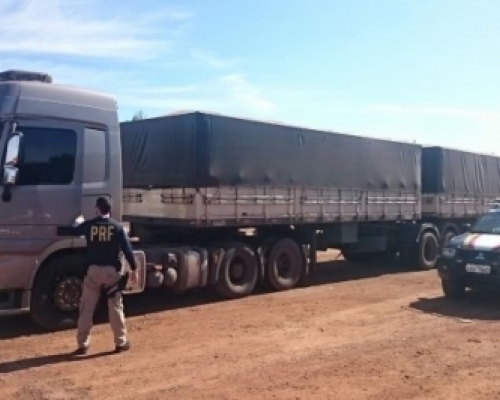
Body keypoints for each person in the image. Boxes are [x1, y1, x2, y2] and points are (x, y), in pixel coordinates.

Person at [69, 196, 139, 356]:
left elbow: (74, 230)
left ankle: (82, 345)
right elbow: (128, 251)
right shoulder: (118, 227)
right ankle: (120, 342)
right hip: (111, 274)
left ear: (97, 209)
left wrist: (78, 222)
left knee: (87, 308)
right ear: (110, 209)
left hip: (93, 272)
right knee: (115, 308)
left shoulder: (89, 225)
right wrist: (134, 269)